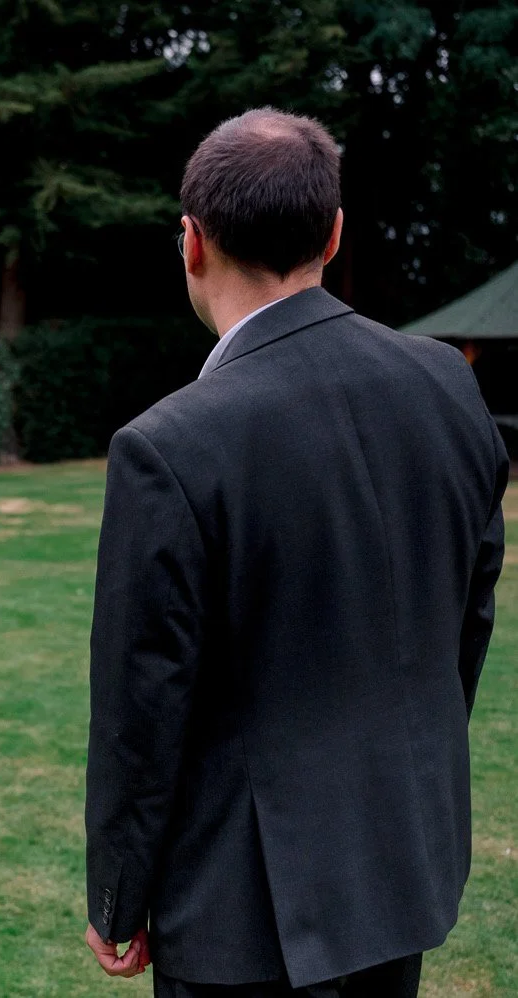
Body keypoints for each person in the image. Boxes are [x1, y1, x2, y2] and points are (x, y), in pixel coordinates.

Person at [83, 108, 507, 998]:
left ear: (191, 243)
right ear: (335, 230)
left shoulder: (167, 445)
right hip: (401, 864)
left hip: (242, 907)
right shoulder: (448, 385)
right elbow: (463, 629)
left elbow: (141, 708)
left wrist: (117, 898)